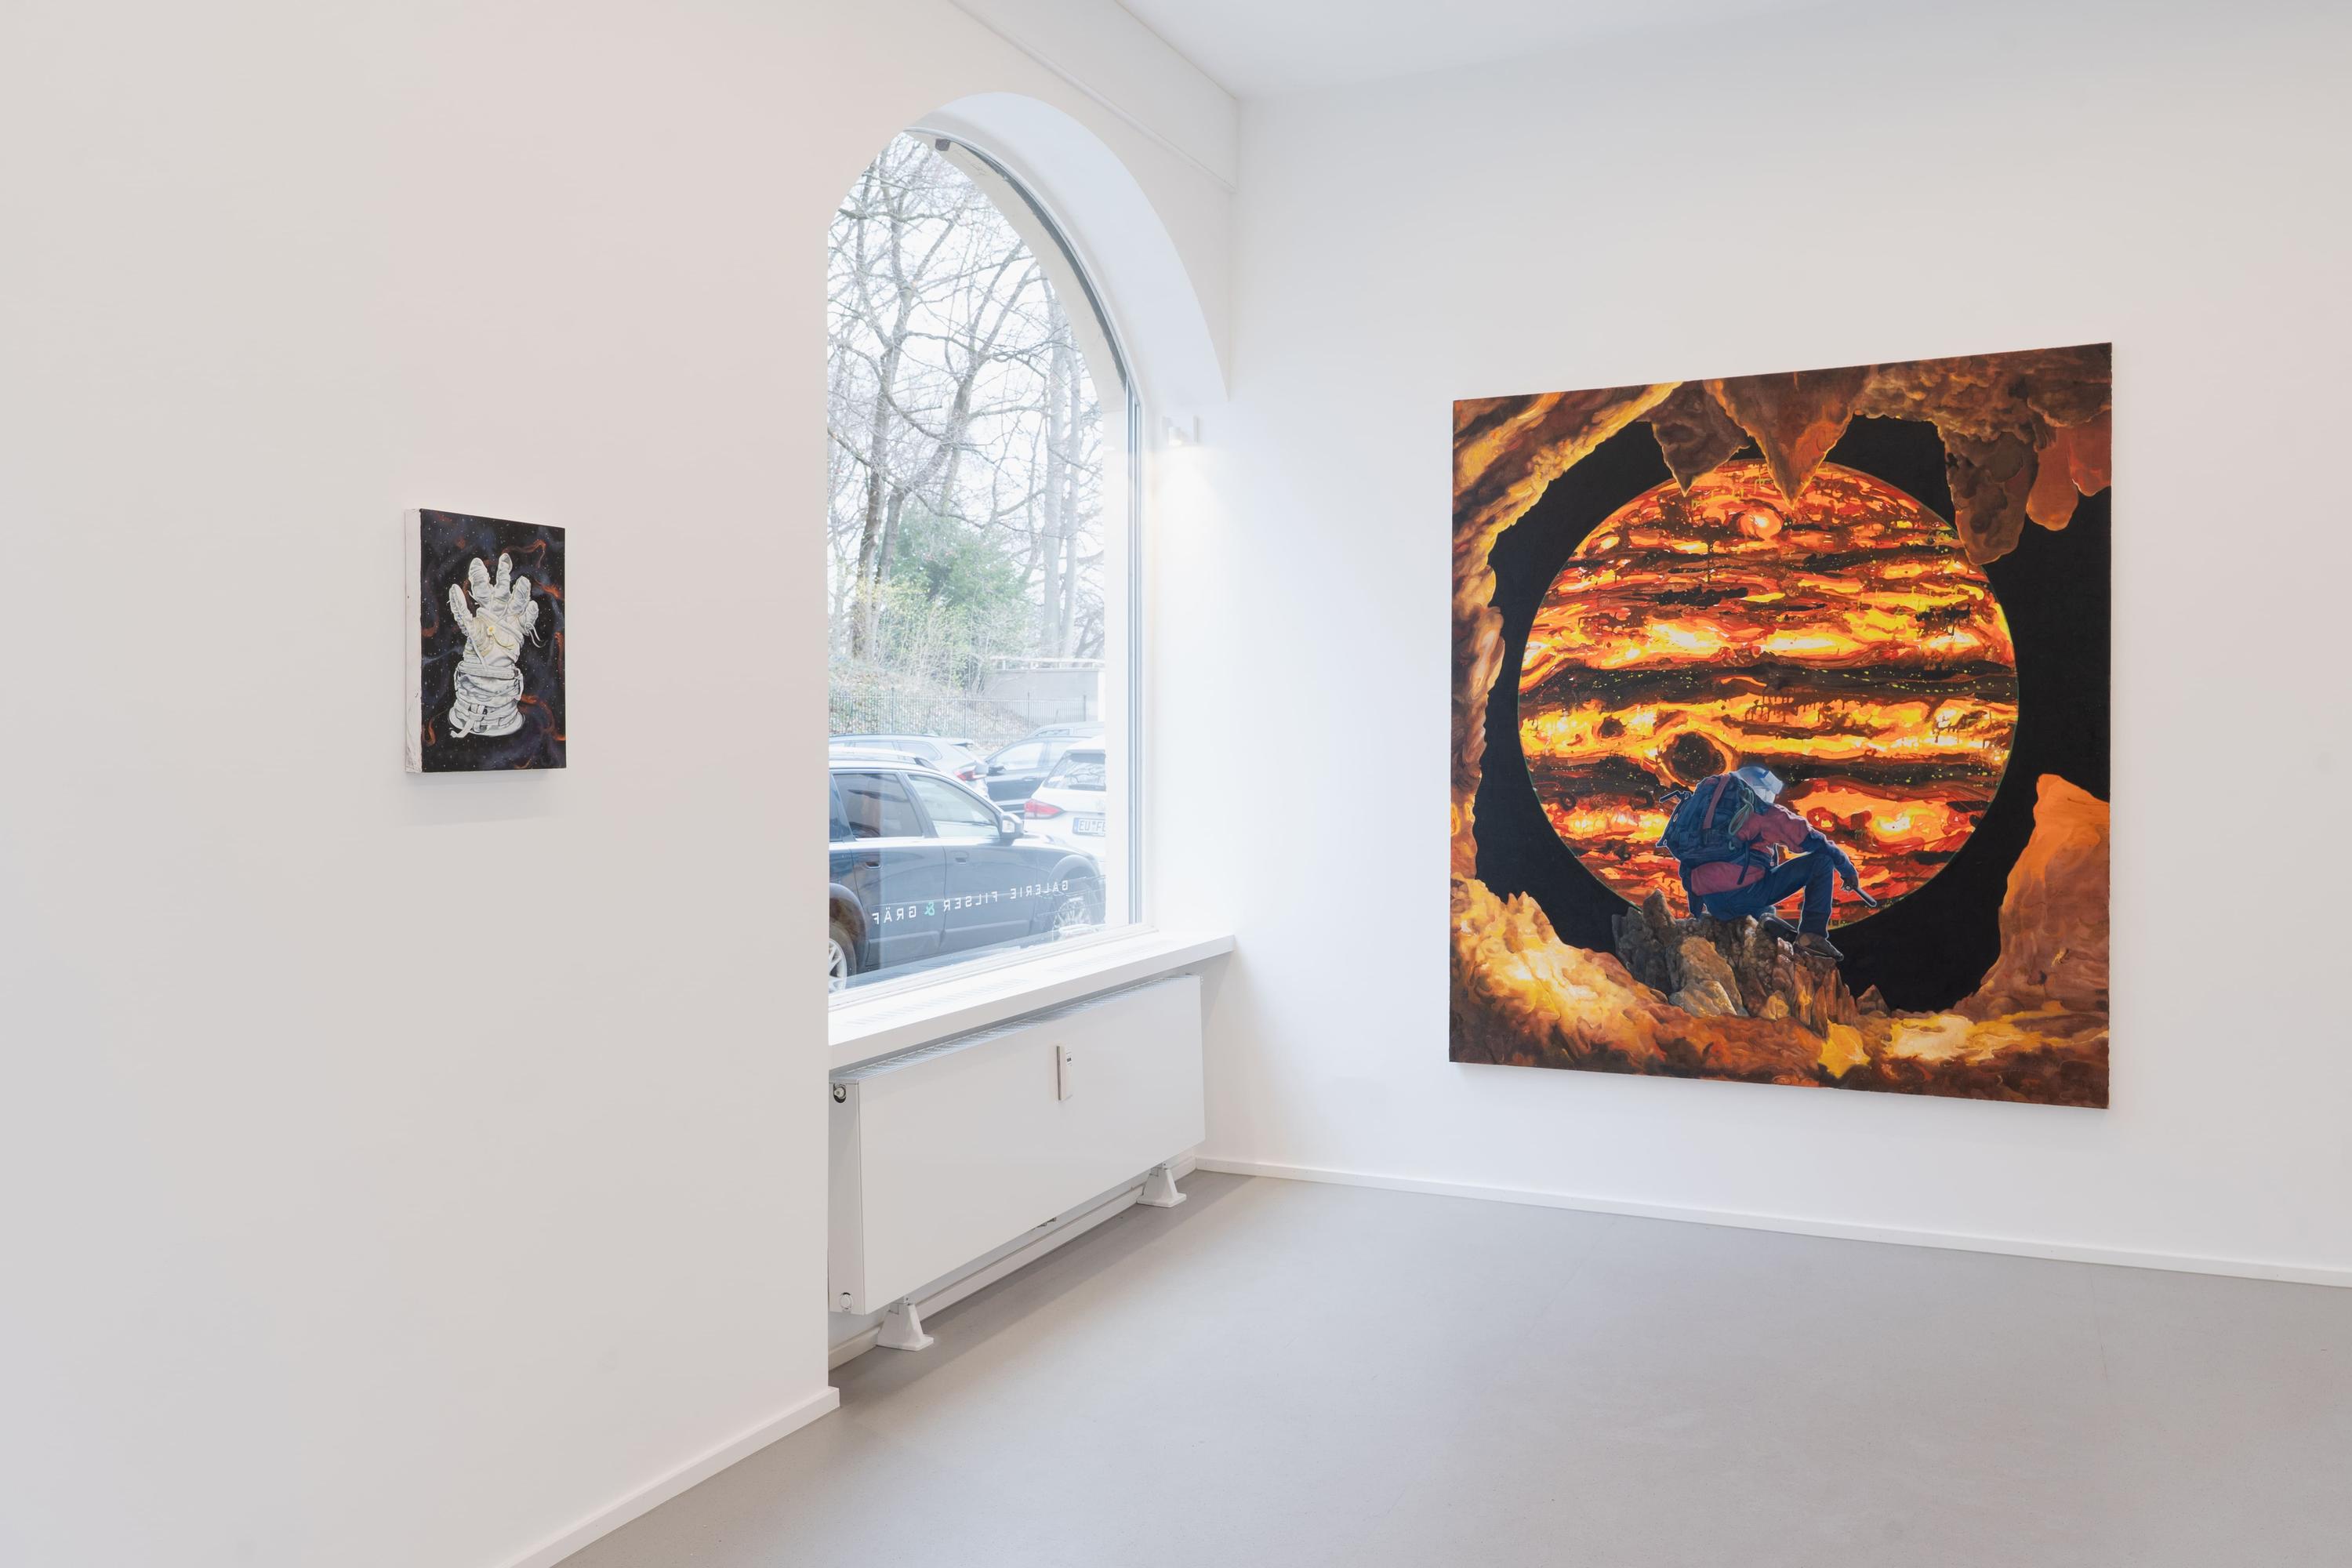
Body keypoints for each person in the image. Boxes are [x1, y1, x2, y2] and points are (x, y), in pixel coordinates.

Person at [1678, 765, 1874, 961]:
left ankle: (1762, 920)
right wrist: (1846, 868)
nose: (1771, 798)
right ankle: (1812, 935)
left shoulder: (1706, 811)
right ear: (1760, 790)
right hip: (1746, 894)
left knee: (1755, 887)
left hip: (1713, 903)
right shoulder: (1764, 812)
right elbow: (1812, 840)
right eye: (1769, 793)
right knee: (1822, 862)